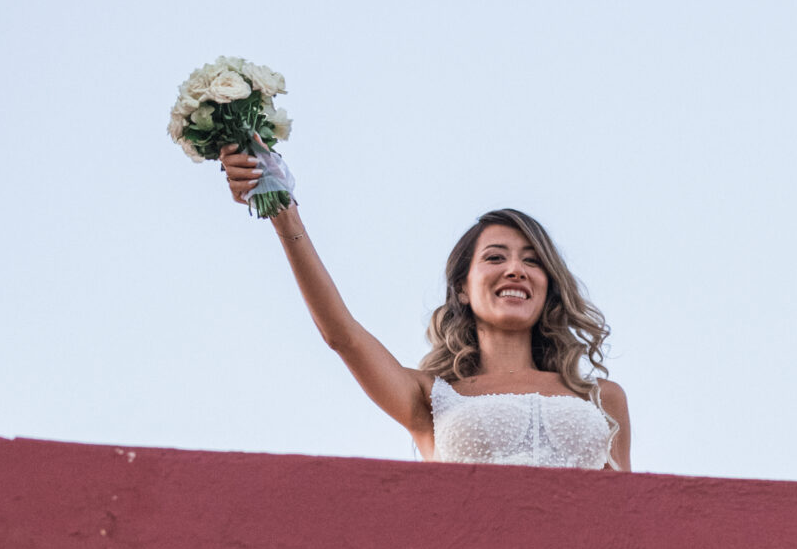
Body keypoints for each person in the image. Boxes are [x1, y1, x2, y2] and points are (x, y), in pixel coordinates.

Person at [218, 146, 630, 470]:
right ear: (462, 289)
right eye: (495, 257)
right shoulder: (431, 398)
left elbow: (626, 513)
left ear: (548, 286)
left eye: (533, 261)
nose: (515, 270)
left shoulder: (601, 398)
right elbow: (343, 335)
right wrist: (284, 214)